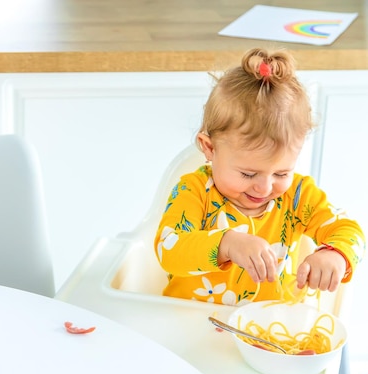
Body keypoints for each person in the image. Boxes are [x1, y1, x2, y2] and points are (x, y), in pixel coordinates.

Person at [155, 48, 365, 305]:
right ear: (209, 148)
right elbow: (169, 249)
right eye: (248, 173)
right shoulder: (194, 190)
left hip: (270, 330)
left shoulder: (298, 196)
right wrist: (227, 244)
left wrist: (335, 255)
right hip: (189, 326)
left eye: (281, 172)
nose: (264, 187)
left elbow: (350, 231)